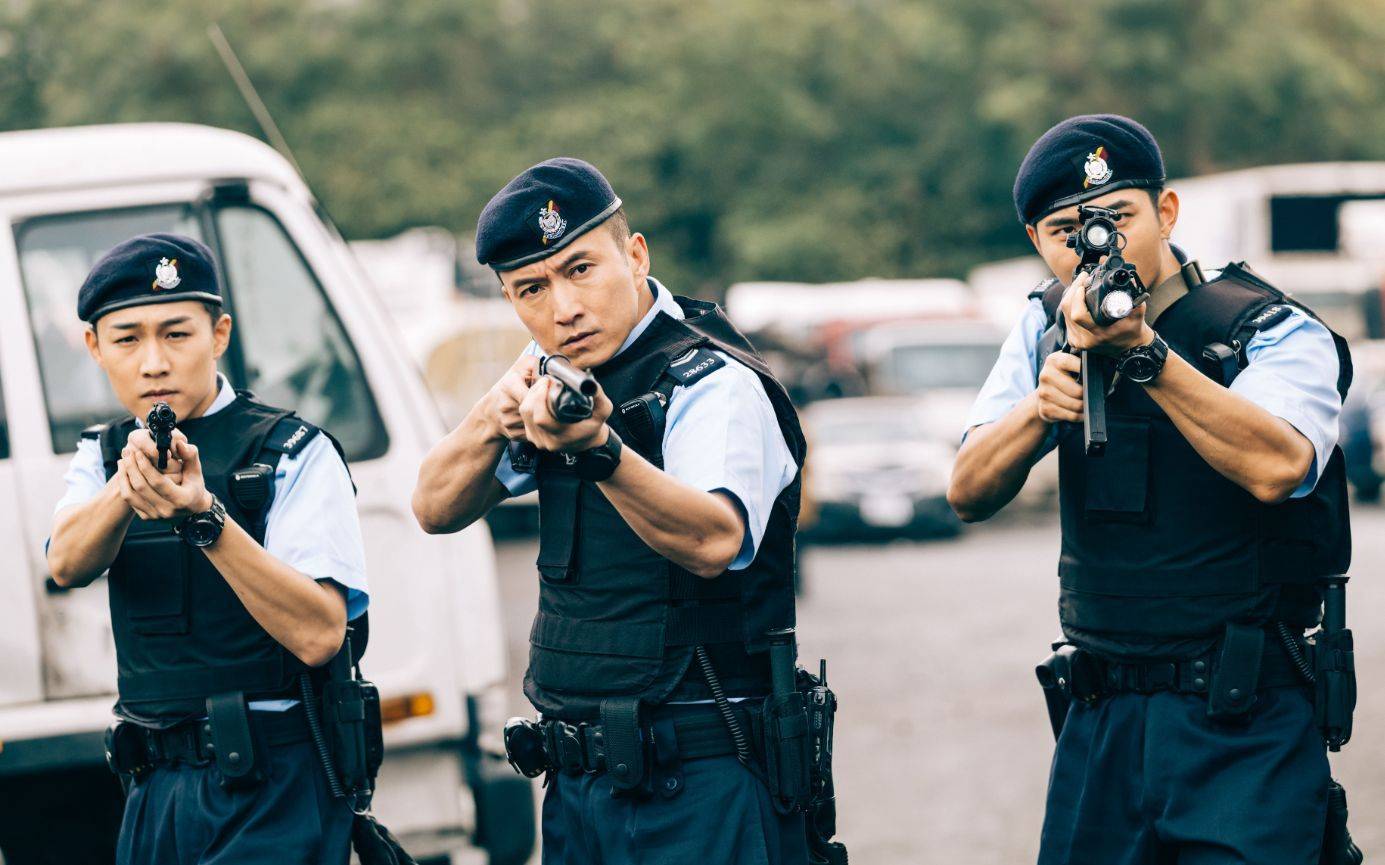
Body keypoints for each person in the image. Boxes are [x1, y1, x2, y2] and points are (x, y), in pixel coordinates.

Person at [947, 114, 1353, 864]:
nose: (1092, 241)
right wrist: (1040, 409)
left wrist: (1145, 354)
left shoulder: (1262, 327)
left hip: (1242, 716)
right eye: (1065, 227)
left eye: (1116, 217)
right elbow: (967, 489)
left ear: (1165, 213)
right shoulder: (1040, 325)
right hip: (1100, 712)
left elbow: (1280, 465)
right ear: (1037, 242)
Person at [412, 158, 813, 864]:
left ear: (634, 256)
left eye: (580, 270)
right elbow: (433, 507)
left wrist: (602, 450)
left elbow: (714, 537)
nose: (563, 307)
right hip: (581, 781)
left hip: (703, 766)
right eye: (531, 289)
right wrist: (490, 416)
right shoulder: (552, 377)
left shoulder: (708, 379)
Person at [46, 233, 370, 865]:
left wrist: (204, 516)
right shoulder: (104, 452)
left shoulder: (292, 450)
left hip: (270, 779)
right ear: (94, 348)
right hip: (153, 785)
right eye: (126, 339)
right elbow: (66, 562)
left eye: (177, 334)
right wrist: (129, 484)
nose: (153, 363)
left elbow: (320, 633)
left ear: (219, 335)